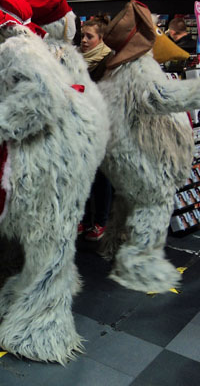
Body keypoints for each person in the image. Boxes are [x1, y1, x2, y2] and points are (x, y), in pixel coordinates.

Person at [78, 14, 114, 240]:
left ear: (100, 38)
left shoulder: (108, 61)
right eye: (82, 35)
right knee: (81, 176)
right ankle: (82, 220)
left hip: (101, 125)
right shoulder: (77, 59)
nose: (83, 40)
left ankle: (100, 221)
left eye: (89, 36)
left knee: (101, 177)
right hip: (80, 126)